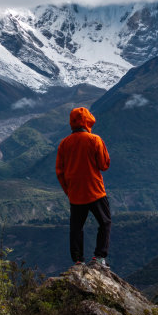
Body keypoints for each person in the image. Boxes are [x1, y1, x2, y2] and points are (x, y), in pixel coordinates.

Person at [55, 106, 112, 268]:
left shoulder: (64, 143)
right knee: (105, 222)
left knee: (76, 227)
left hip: (75, 193)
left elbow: (60, 171)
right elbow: (104, 164)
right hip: (95, 191)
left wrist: (69, 191)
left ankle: (78, 260)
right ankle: (99, 257)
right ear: (88, 122)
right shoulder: (94, 140)